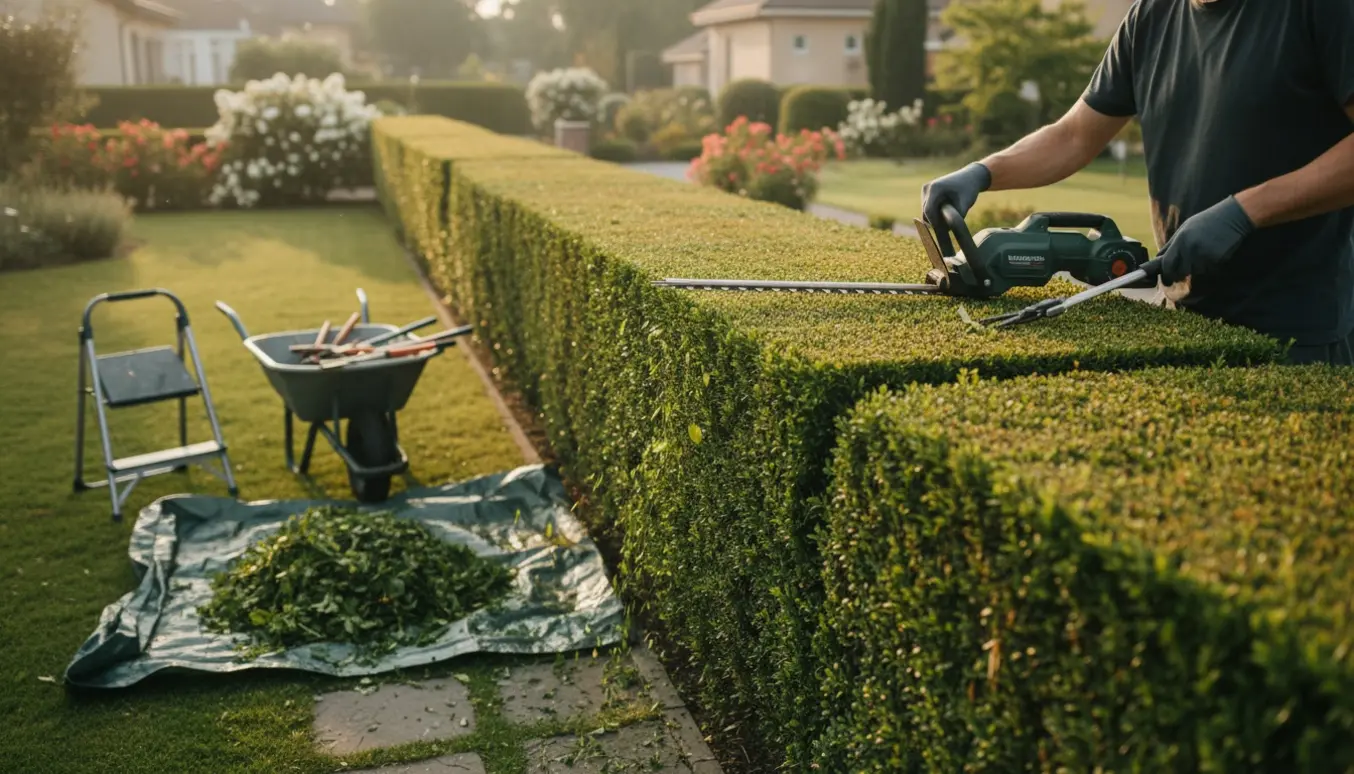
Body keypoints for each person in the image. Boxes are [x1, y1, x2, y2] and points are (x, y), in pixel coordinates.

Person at [921, 0, 1354, 365]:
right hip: (1182, 315)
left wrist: (1246, 212)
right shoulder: (1152, 16)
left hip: (1299, 331)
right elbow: (1074, 136)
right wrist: (983, 172)